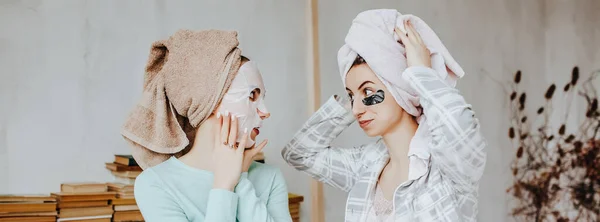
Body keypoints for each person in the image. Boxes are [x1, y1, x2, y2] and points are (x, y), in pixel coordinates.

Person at [282, 10, 487, 222]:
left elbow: (460, 128)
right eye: (352, 95)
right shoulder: (365, 165)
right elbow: (298, 153)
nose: (356, 109)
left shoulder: (446, 167)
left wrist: (422, 74)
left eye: (368, 92)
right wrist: (345, 106)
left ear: (400, 88)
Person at [122, 30, 291, 222]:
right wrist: (223, 185)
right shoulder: (155, 184)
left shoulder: (270, 177)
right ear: (211, 102)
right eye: (252, 95)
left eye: (263, 98)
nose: (265, 111)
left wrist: (241, 180)